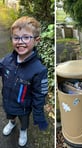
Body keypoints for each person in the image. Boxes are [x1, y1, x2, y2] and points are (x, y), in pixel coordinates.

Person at [0, 16, 48, 146]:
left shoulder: (39, 70)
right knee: (9, 114)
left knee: (24, 120)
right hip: (8, 100)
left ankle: (23, 130)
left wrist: (39, 115)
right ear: (12, 40)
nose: (20, 41)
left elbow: (39, 95)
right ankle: (11, 123)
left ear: (37, 40)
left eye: (26, 37)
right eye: (16, 37)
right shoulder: (7, 60)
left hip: (24, 107)